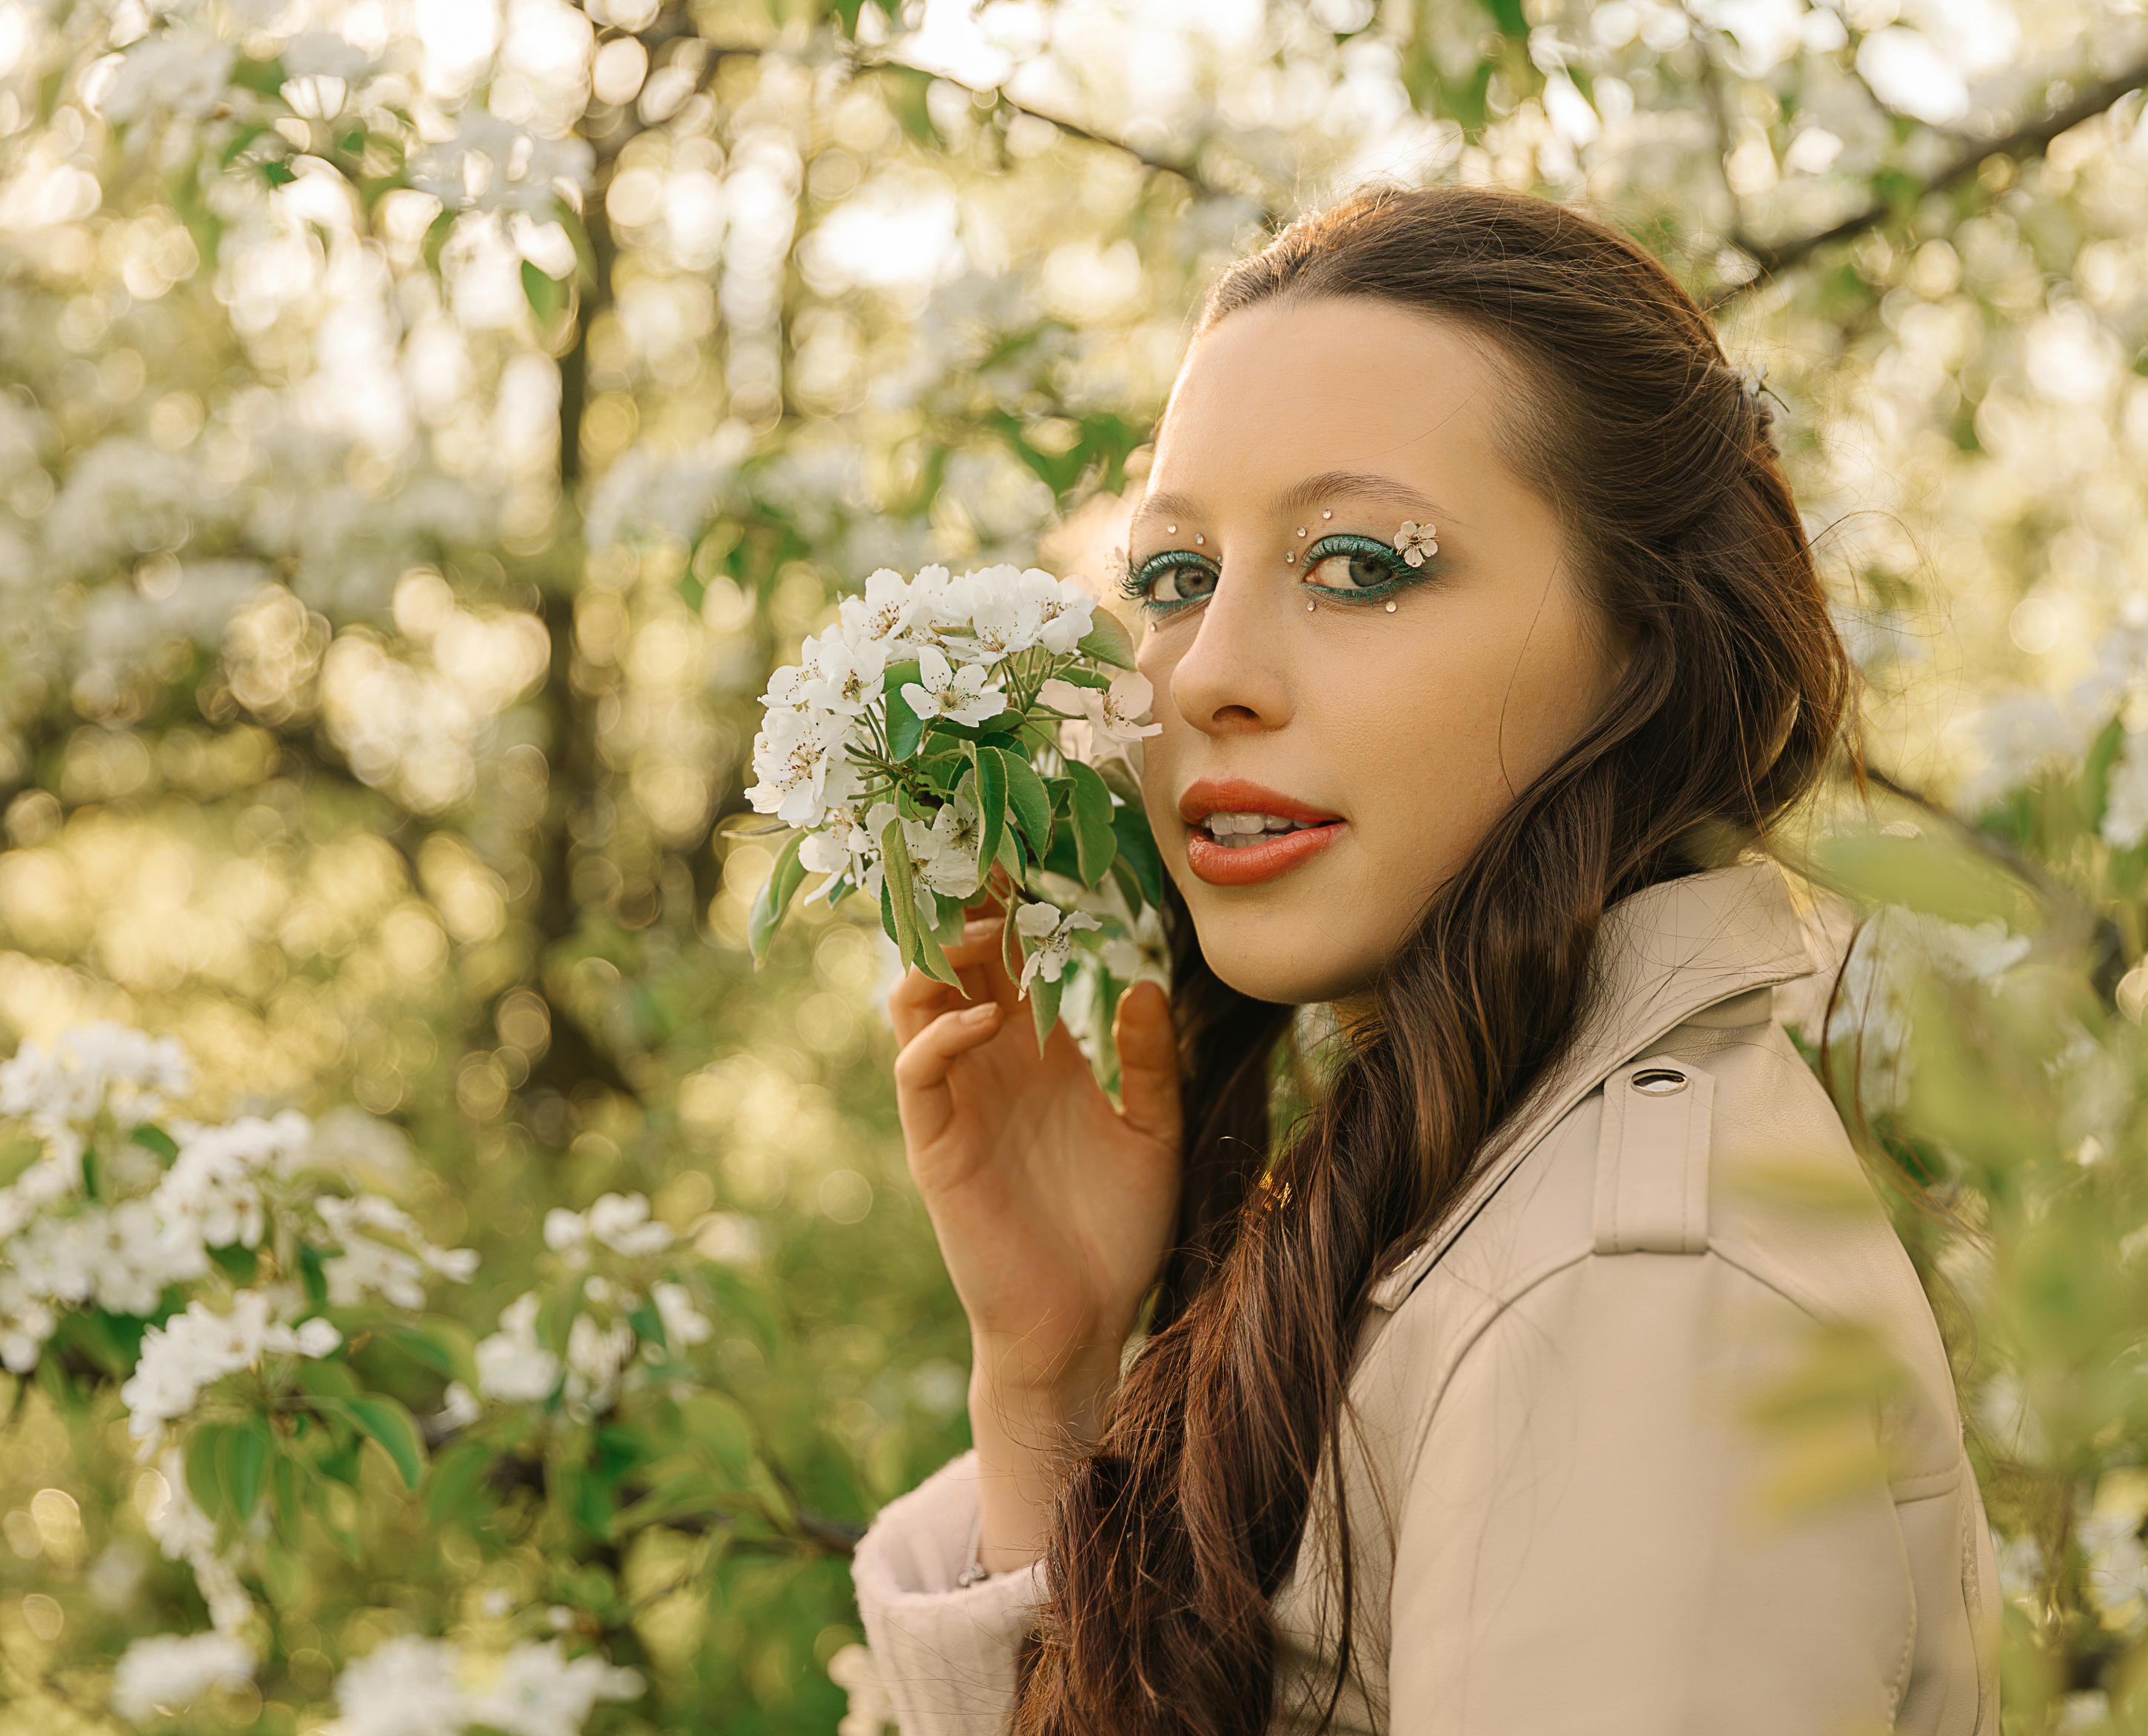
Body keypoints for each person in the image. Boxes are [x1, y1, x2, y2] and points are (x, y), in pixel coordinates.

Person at [849, 184, 2000, 1736]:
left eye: (1357, 566)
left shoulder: (1629, 1307)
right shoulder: (1482, 1200)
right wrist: (1047, 1380)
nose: (1208, 677)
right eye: (1174, 578)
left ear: (1641, 644)